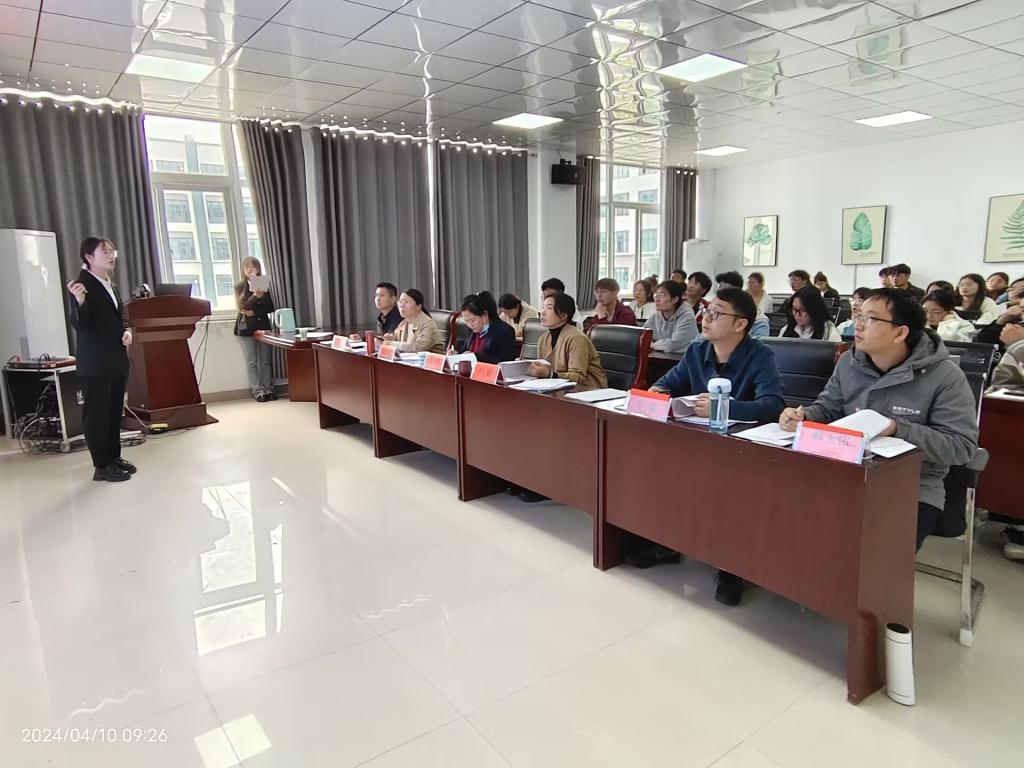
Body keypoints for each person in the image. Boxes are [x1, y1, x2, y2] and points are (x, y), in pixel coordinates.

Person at [780, 288, 978, 551]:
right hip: (843, 472)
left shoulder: (945, 376)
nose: (858, 325)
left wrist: (897, 428)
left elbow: (961, 447)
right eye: (858, 316)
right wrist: (803, 416)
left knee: (872, 555)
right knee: (781, 519)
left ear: (900, 332)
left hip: (911, 487)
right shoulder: (849, 362)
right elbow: (828, 408)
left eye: (870, 319)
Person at [633, 287, 786, 606]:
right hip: (698, 442)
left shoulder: (760, 355)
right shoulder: (698, 350)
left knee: (730, 491)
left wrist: (723, 408)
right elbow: (669, 382)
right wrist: (659, 391)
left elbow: (773, 405)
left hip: (742, 450)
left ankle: (732, 568)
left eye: (717, 313)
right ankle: (668, 542)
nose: (706, 318)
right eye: (707, 311)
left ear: (740, 324)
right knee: (657, 468)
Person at [65, 237, 136, 482]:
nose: (111, 255)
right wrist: (80, 302)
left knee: (113, 412)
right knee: (97, 415)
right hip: (95, 363)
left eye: (112, 250)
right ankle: (101, 465)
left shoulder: (109, 284)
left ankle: (114, 458)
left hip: (115, 359)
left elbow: (117, 319)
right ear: (88, 257)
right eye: (104, 251)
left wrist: (126, 332)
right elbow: (80, 324)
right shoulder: (81, 286)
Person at [528, 293, 607, 388]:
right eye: (543, 307)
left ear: (563, 315)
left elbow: (578, 377)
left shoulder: (577, 338)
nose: (542, 312)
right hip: (556, 388)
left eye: (549, 308)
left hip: (587, 389)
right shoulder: (543, 338)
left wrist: (549, 374)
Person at [234, 256, 276, 402]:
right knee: (252, 361)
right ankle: (258, 391)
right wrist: (254, 296)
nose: (250, 269)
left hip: (263, 326)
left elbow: (270, 307)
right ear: (243, 270)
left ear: (258, 268)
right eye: (247, 267)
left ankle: (269, 389)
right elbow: (242, 307)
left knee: (266, 360)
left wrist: (255, 312)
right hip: (246, 328)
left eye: (253, 266)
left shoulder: (263, 283)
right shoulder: (240, 286)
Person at [455, 291, 517, 364]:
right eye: (466, 321)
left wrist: (476, 357)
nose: (469, 325)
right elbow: (464, 351)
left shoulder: (504, 331)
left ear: (485, 315)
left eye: (472, 320)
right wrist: (456, 354)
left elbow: (506, 362)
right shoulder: (472, 330)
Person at [381, 288, 445, 353]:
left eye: (406, 302)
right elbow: (395, 337)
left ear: (418, 306)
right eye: (400, 302)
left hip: (430, 359)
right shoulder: (403, 323)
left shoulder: (428, 324)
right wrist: (389, 338)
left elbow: (418, 347)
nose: (401, 305)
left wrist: (391, 343)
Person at [644, 280, 698, 354]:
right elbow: (642, 335)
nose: (657, 299)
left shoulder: (687, 317)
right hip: (661, 357)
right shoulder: (656, 315)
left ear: (674, 299)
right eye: (656, 295)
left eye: (662, 295)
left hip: (684, 358)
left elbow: (673, 345)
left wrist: (651, 345)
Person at [717, 271, 768, 337]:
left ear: (737, 293)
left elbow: (760, 341)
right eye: (719, 289)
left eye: (725, 292)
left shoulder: (758, 322)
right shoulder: (714, 315)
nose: (721, 297)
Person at [976, 277, 1024, 346]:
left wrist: (1018, 343)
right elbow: (983, 342)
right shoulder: (1004, 314)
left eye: (1022, 289)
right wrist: (1000, 322)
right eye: (1013, 289)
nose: (1016, 292)